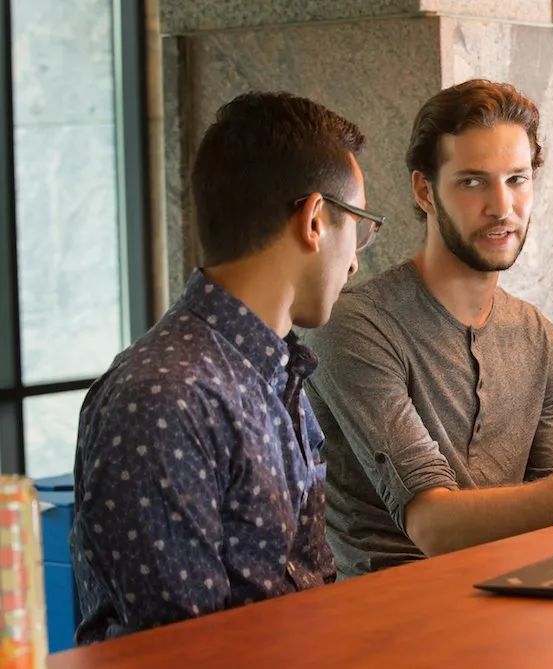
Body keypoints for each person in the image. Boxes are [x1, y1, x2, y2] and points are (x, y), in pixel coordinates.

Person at [304, 79, 553, 577]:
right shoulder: (356, 325)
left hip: (519, 599)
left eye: (517, 179)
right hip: (395, 623)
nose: (502, 207)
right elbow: (434, 526)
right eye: (473, 182)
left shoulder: (537, 337)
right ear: (423, 191)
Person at [70, 92, 385, 642]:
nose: (357, 258)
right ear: (314, 220)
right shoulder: (165, 397)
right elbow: (183, 651)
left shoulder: (275, 372)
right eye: (358, 227)